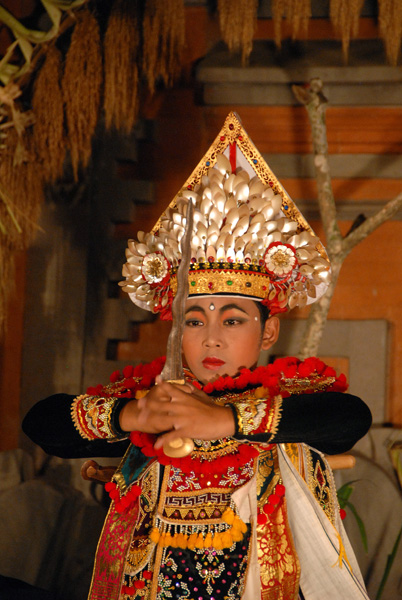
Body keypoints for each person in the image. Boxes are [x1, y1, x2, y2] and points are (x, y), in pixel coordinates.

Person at [23, 113, 372, 600]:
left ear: (268, 328)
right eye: (193, 320)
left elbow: (349, 419)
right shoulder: (156, 401)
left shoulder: (289, 401)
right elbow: (44, 423)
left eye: (232, 320)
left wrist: (223, 421)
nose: (211, 338)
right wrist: (129, 414)